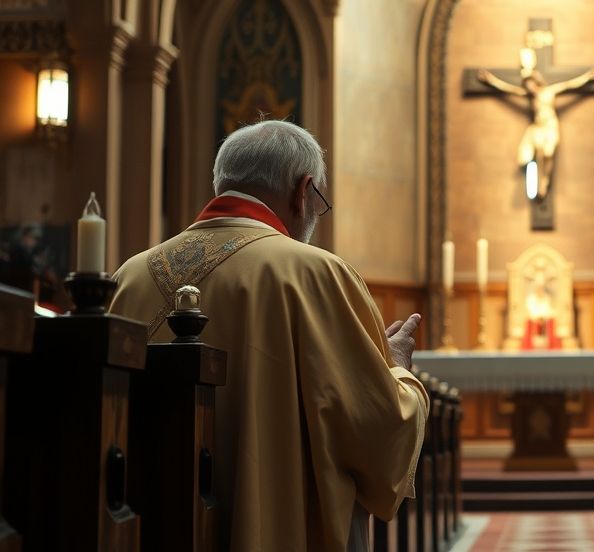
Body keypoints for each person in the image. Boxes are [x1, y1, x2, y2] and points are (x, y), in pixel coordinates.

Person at [109, 120, 428, 552]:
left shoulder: (129, 277)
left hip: (151, 529)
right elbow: (377, 434)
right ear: (303, 191)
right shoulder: (316, 274)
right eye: (319, 201)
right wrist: (398, 372)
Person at [478, 47, 594, 199]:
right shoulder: (528, 95)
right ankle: (535, 182)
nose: (528, 87)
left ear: (535, 81)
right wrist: (491, 81)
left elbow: (570, 84)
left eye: (530, 83)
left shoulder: (549, 91)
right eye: (526, 85)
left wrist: (588, 78)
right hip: (537, 127)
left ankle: (545, 182)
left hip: (549, 125)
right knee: (530, 156)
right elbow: (508, 89)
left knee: (548, 152)